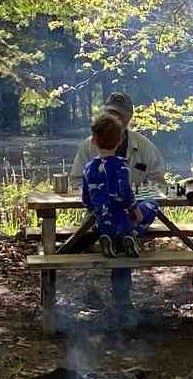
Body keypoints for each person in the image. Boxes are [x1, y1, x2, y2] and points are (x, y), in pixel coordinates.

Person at [70, 93, 166, 316]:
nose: (113, 118)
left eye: (118, 115)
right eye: (109, 113)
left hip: (129, 212)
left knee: (125, 234)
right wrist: (101, 198)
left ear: (129, 118)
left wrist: (136, 195)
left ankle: (121, 300)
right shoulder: (88, 146)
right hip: (100, 214)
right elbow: (76, 181)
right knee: (125, 234)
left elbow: (158, 181)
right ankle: (115, 299)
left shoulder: (144, 146)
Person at [81, 112, 159, 258]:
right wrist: (136, 210)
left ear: (93, 141)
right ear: (119, 141)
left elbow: (86, 199)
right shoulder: (121, 166)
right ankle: (131, 236)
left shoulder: (88, 168)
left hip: (102, 222)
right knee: (152, 204)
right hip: (123, 221)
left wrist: (97, 209)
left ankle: (109, 239)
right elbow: (125, 192)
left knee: (106, 219)